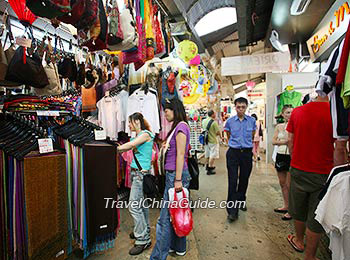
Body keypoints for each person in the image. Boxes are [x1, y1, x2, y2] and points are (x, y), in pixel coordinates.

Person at [286, 95, 346, 260]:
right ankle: (310, 256)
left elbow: (290, 141)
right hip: (324, 173)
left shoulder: (297, 112)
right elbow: (339, 148)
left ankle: (298, 240)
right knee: (317, 213)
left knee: (298, 208)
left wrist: (294, 159)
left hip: (299, 168)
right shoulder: (336, 114)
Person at [150, 98, 191, 260]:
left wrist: (178, 180)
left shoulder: (181, 127)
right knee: (178, 211)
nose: (165, 114)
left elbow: (181, 154)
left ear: (174, 110)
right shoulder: (178, 127)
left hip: (176, 175)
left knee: (164, 219)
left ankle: (158, 256)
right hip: (175, 175)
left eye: (167, 110)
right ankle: (179, 247)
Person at [117, 113, 154, 255]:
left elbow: (131, 145)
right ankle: (144, 231)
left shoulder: (145, 134)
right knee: (141, 206)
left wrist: (114, 149)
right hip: (136, 174)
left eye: (130, 123)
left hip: (140, 175)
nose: (129, 126)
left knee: (133, 206)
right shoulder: (137, 137)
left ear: (137, 121)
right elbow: (129, 147)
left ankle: (142, 239)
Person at [224, 97, 256, 222]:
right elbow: (228, 134)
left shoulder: (252, 121)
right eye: (238, 107)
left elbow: (253, 134)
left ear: (246, 107)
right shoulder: (230, 121)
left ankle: (241, 200)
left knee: (244, 179)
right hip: (233, 153)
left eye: (243, 107)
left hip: (247, 153)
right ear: (235, 107)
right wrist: (235, 143)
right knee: (232, 181)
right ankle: (232, 211)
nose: (241, 109)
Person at [272, 105, 293, 221]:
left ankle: (291, 210)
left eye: (291, 112)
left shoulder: (296, 125)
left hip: (291, 156)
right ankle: (286, 205)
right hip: (281, 156)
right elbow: (273, 141)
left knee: (290, 184)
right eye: (287, 113)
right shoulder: (279, 127)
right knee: (282, 183)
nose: (290, 115)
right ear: (283, 114)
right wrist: (285, 142)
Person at [202, 110, 221, 175]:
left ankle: (207, 166)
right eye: (214, 113)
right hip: (213, 140)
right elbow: (217, 132)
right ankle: (210, 168)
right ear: (212, 114)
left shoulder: (203, 121)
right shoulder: (214, 122)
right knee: (213, 154)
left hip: (206, 140)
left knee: (207, 153)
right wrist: (221, 137)